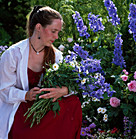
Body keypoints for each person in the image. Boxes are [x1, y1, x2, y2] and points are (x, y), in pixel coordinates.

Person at [0, 5, 82, 139]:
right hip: (21, 106)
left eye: (58, 32)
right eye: (53, 31)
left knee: (73, 102)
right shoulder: (13, 54)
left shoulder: (57, 55)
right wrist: (26, 95)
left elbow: (75, 84)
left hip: (44, 105)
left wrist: (63, 91)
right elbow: (3, 90)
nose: (56, 37)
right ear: (38, 27)